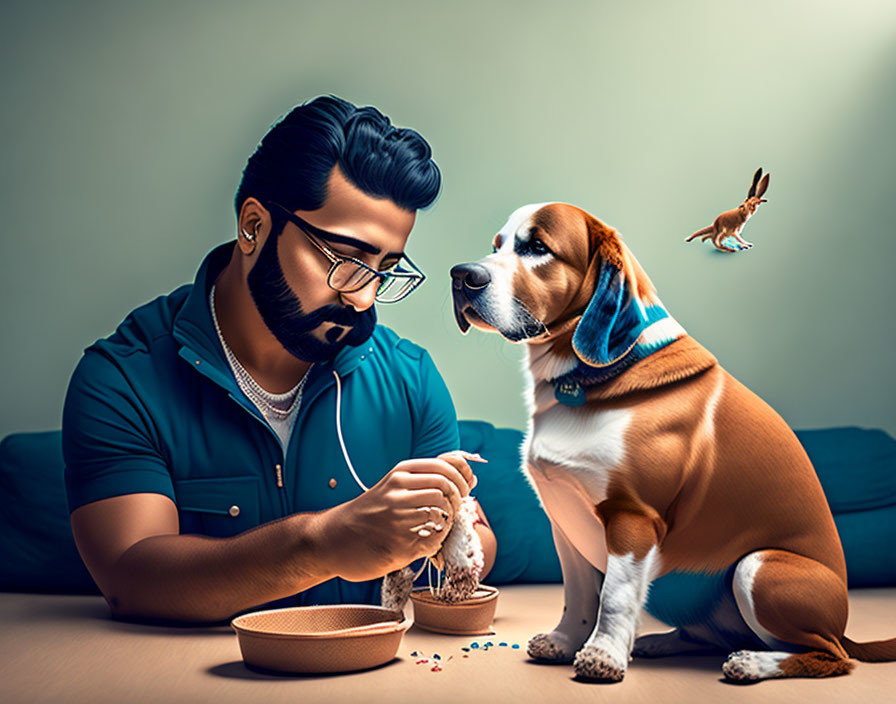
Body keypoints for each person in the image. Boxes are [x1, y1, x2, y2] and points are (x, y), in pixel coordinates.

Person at [62, 95, 497, 623]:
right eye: (346, 260)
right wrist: (325, 544)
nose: (363, 298)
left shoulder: (411, 378)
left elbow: (476, 543)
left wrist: (448, 534)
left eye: (384, 269)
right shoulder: (122, 380)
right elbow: (132, 579)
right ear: (253, 226)